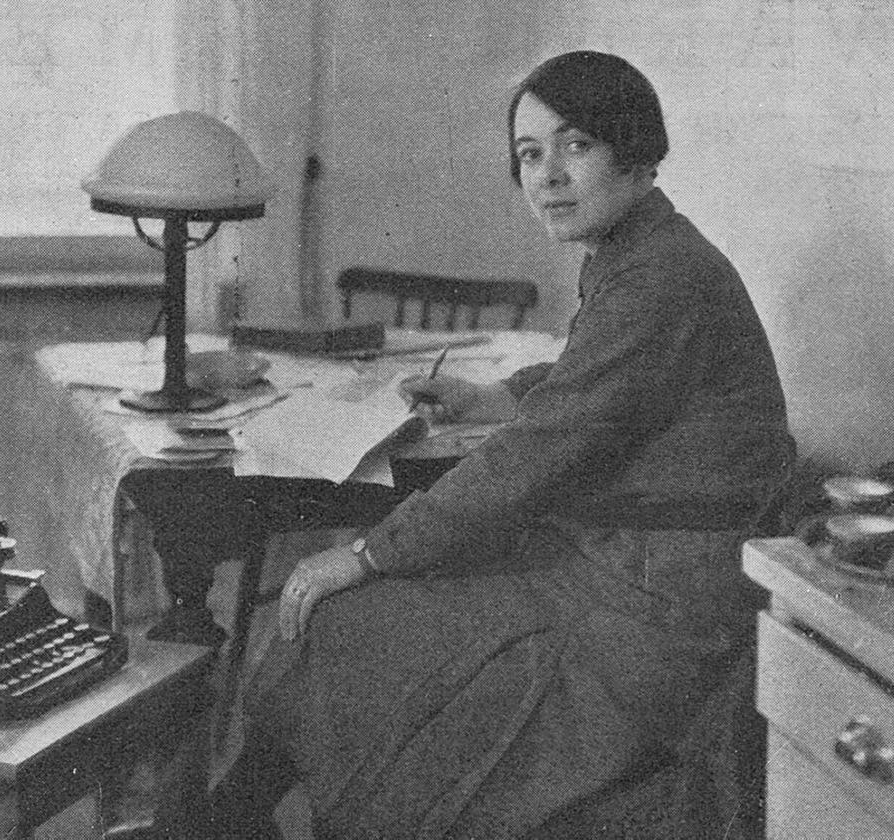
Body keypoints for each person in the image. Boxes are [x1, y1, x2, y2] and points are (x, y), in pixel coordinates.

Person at [209, 50, 793, 839]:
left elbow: (533, 460)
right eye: (529, 154)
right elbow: (594, 376)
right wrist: (498, 394)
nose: (547, 175)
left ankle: (229, 818)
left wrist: (369, 552)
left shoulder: (659, 275)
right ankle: (232, 819)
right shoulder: (643, 254)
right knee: (350, 620)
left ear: (636, 151)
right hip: (623, 560)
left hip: (664, 599)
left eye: (576, 145)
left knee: (351, 613)